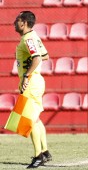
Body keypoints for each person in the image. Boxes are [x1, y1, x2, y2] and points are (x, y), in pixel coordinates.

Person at [14, 11, 52, 168]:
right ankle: (45, 152)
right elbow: (45, 56)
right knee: (36, 118)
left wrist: (26, 76)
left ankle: (38, 157)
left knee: (30, 119)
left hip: (31, 81)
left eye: (17, 20)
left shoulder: (28, 38)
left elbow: (37, 58)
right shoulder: (34, 36)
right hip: (36, 81)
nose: (15, 23)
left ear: (24, 22)